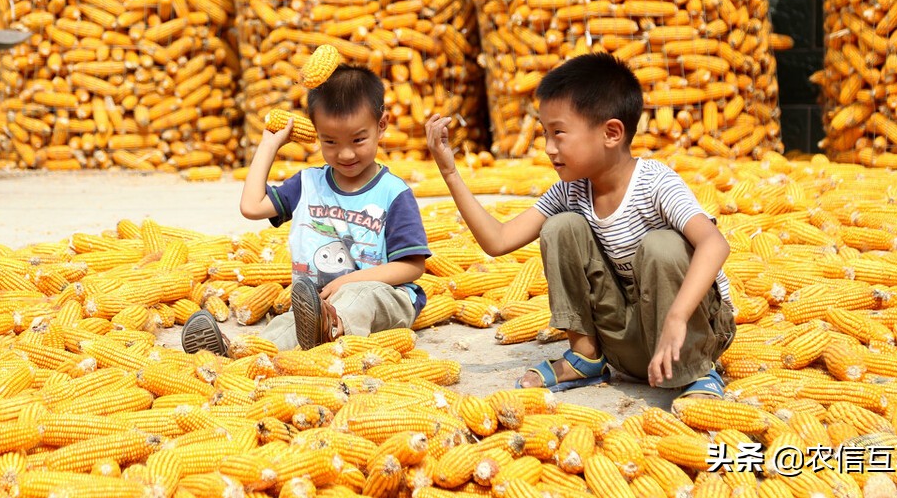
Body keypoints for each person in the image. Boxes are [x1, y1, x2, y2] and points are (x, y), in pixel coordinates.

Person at [425, 53, 735, 398]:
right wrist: (449, 172)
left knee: (662, 246)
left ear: (611, 133)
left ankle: (695, 371)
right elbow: (498, 240)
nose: (547, 148)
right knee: (561, 227)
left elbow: (715, 244)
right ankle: (585, 357)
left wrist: (677, 317)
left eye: (559, 133)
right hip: (632, 339)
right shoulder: (571, 192)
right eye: (545, 133)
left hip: (690, 330)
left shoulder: (656, 183)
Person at [181, 66, 430, 353]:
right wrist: (268, 144)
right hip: (315, 305)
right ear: (316, 134)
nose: (345, 153)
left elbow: (413, 266)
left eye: (358, 140)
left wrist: (350, 280)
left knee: (357, 295)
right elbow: (251, 206)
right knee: (286, 326)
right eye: (330, 142)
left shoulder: (393, 193)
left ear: (382, 125)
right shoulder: (308, 184)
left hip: (385, 296)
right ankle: (234, 353)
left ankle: (332, 328)